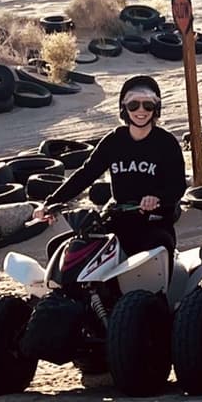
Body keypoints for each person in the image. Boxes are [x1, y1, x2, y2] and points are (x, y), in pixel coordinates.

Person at [41, 75, 186, 264]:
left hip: (155, 221)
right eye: (133, 105)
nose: (140, 111)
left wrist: (157, 198)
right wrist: (52, 202)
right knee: (61, 249)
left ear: (156, 108)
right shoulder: (114, 141)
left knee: (156, 252)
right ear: (124, 108)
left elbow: (178, 186)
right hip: (118, 217)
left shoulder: (166, 143)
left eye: (147, 105)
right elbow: (86, 174)